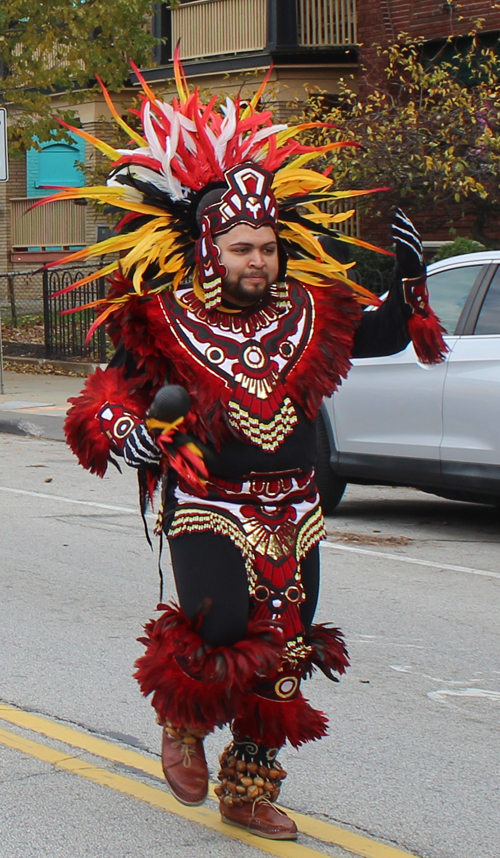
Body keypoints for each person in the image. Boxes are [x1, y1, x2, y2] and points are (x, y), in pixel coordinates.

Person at [48, 59, 447, 841]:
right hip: (208, 504)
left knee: (288, 649)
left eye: (266, 247)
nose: (257, 260)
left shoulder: (311, 310)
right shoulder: (163, 319)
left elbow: (384, 336)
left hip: (296, 508)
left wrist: (409, 286)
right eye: (241, 248)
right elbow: (108, 395)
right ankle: (183, 721)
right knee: (223, 623)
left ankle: (249, 785)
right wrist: (129, 433)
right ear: (210, 249)